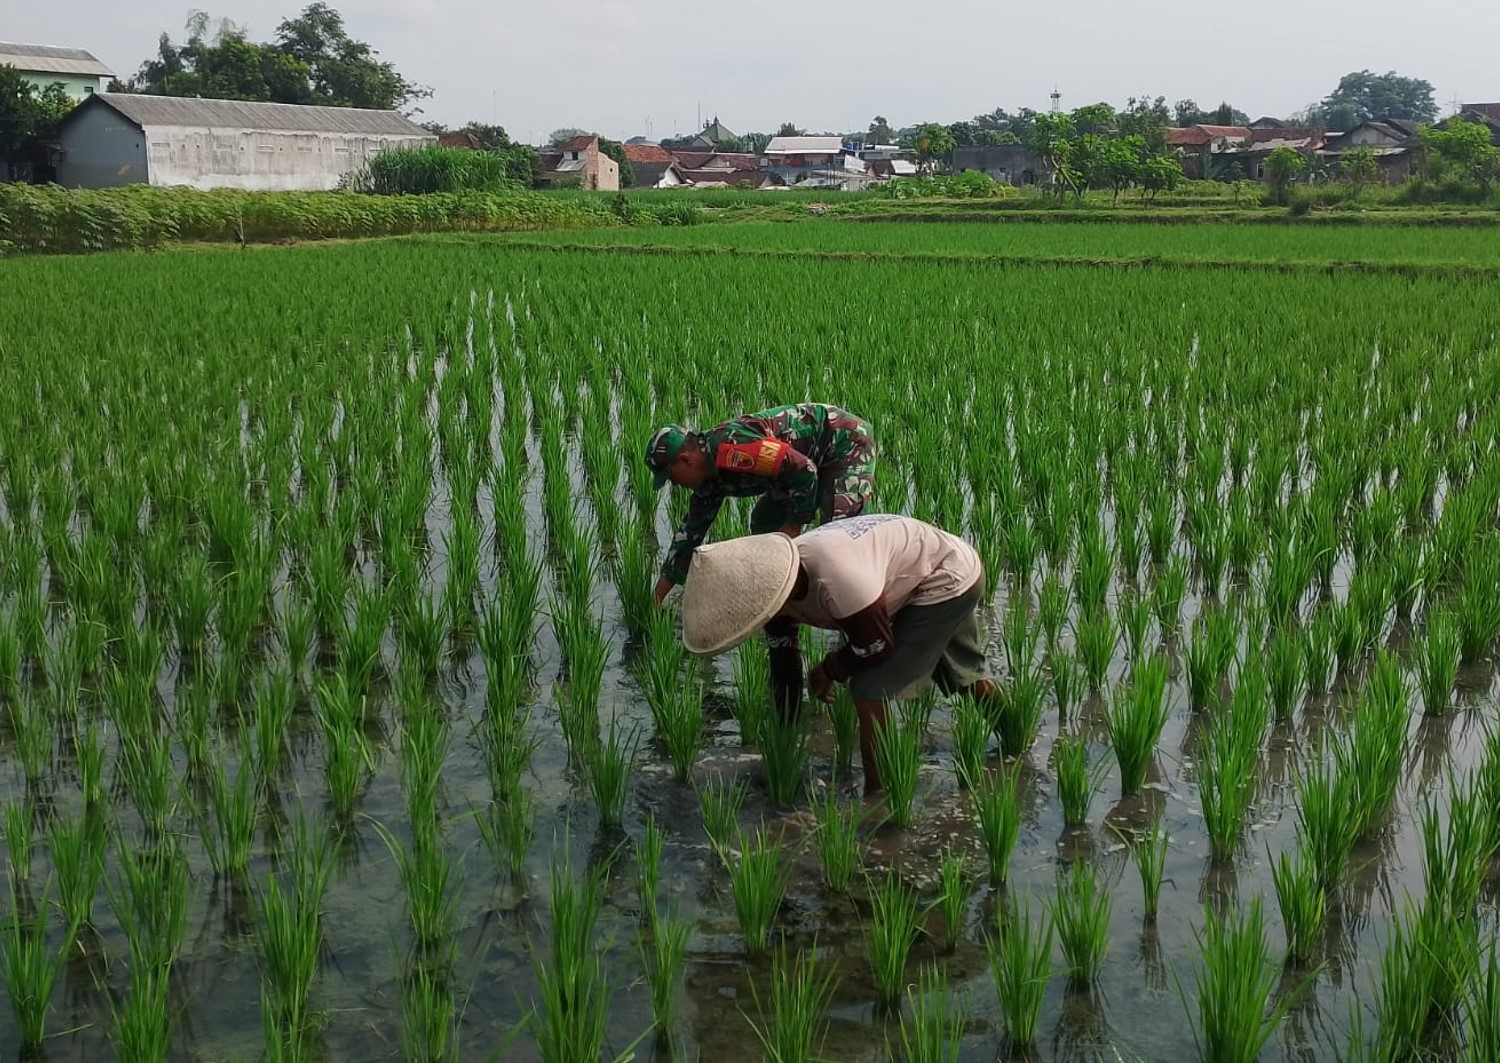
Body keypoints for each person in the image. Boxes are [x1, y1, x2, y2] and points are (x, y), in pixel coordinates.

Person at [678, 513, 1003, 793]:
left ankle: (878, 795)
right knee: (963, 672)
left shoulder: (839, 581)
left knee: (869, 689)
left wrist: (830, 669)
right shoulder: (771, 587)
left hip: (945, 577)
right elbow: (783, 660)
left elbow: (876, 646)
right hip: (931, 562)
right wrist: (785, 734)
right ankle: (1014, 734)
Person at [644, 403, 876, 607]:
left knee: (837, 539)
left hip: (843, 442)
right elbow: (689, 535)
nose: (675, 484)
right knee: (765, 523)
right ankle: (784, 602)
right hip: (800, 466)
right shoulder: (707, 481)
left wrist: (793, 526)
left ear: (686, 460)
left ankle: (862, 611)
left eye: (671, 477)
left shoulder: (732, 449)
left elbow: (804, 470)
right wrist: (655, 601)